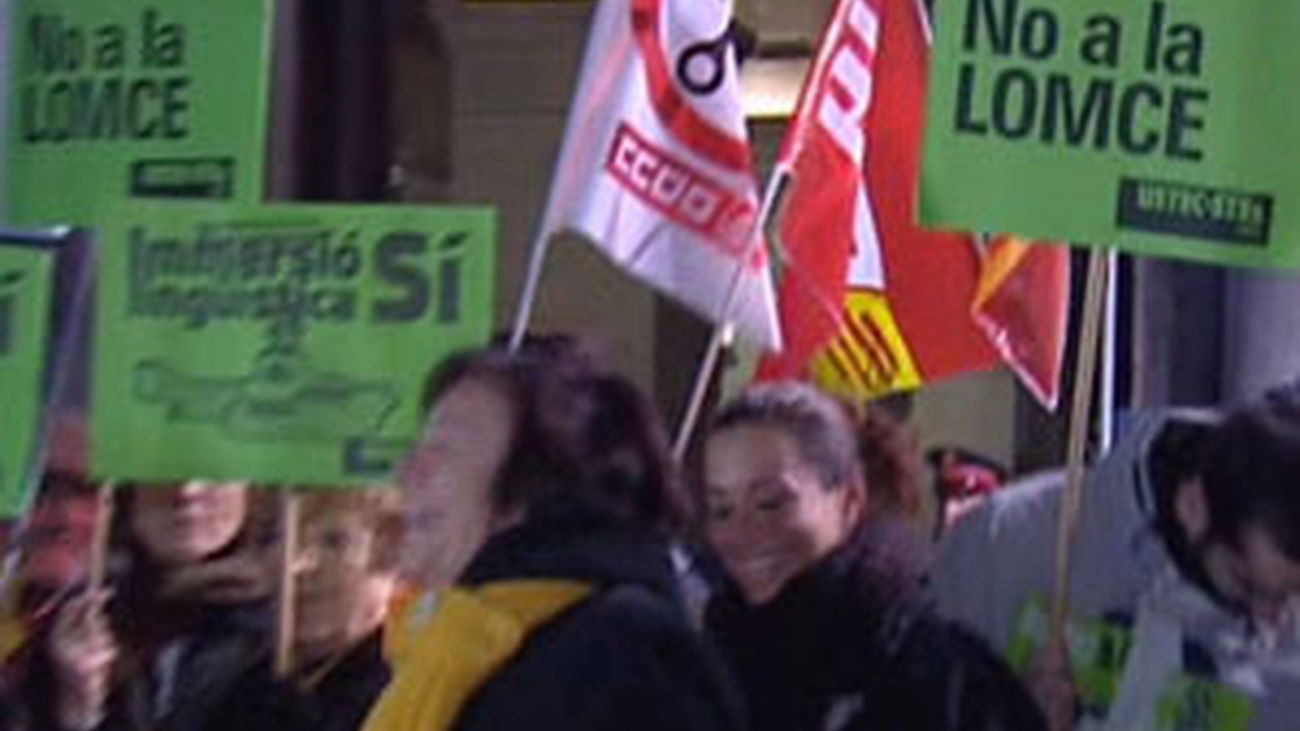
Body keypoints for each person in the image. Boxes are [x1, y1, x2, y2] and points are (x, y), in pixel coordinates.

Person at [363, 344, 745, 731]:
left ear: (533, 487)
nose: (407, 473)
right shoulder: (449, 651)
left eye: (443, 449)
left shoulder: (623, 654)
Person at [931, 384, 1300, 731]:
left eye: (1292, 595)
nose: (1274, 620)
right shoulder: (1002, 546)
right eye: (1247, 585)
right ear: (1194, 507)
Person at [701, 381, 1047, 731]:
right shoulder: (701, 665)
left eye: (771, 504)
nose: (742, 533)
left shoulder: (934, 670)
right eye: (722, 509)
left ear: (849, 501)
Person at [21, 480, 274, 731]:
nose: (188, 490)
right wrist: (76, 709)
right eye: (163, 468)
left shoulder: (287, 626)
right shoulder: (77, 624)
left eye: (214, 471)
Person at [203, 489, 402, 731]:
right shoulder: (244, 684)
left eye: (333, 542)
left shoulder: (413, 678)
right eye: (276, 538)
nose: (295, 565)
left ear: (394, 552)